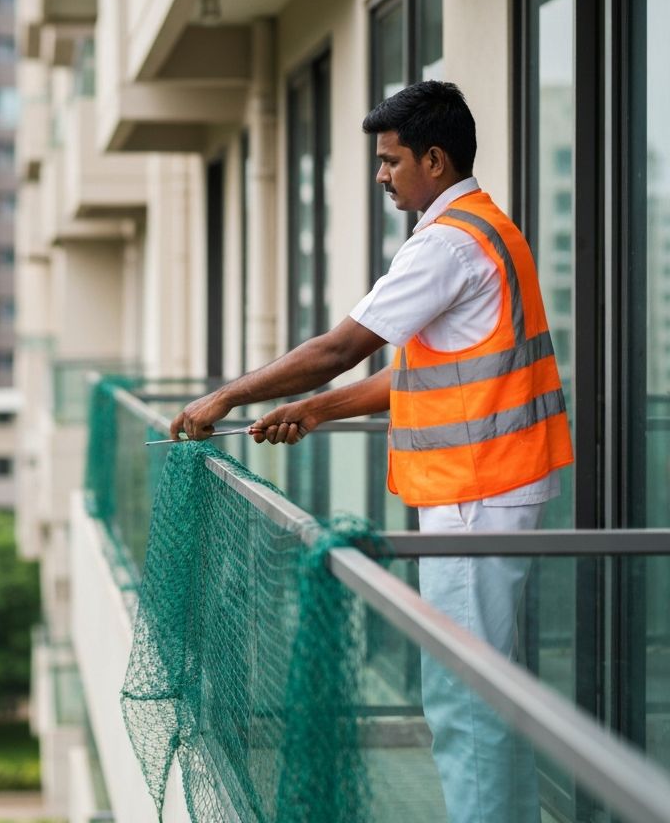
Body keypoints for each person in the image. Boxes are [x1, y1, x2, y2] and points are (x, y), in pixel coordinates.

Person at [169, 80, 573, 823]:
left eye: (391, 161)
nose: (381, 175)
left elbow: (339, 348)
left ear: (436, 160)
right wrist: (315, 410)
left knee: (462, 693)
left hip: (476, 493)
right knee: (490, 684)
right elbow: (413, 375)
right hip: (489, 486)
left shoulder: (447, 244)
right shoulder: (489, 228)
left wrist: (227, 396)